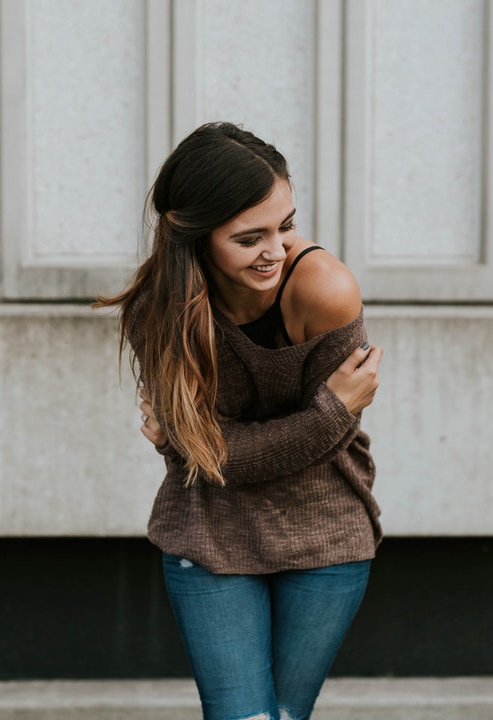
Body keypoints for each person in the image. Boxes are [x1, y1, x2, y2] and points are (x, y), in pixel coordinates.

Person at [96, 122, 383, 720]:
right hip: (208, 531)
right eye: (249, 238)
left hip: (323, 533)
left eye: (286, 224)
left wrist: (192, 443)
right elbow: (210, 453)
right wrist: (329, 412)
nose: (275, 251)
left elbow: (214, 446)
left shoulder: (325, 289)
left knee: (281, 716)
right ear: (193, 236)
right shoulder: (160, 309)